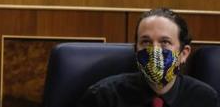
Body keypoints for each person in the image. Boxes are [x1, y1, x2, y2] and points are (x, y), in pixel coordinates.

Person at [77, 8, 219, 107]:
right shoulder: (104, 96)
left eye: (165, 42)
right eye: (146, 42)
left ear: (184, 53)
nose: (154, 50)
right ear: (136, 49)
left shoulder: (205, 99)